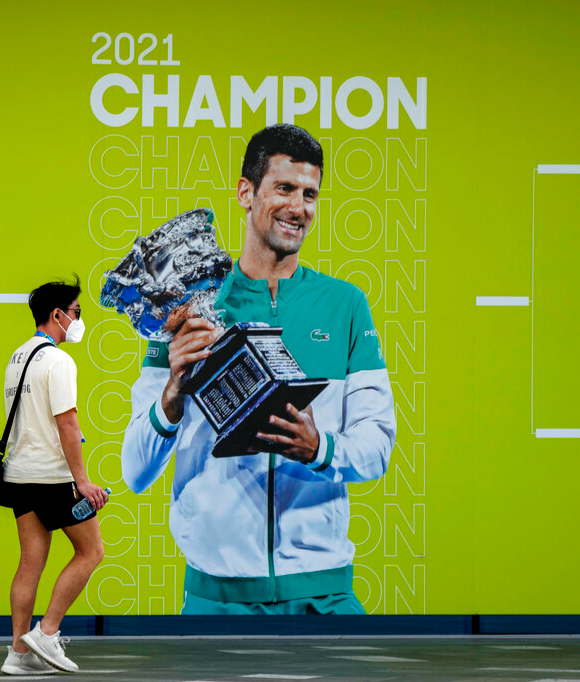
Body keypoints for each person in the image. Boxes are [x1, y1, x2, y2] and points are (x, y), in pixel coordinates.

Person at [120, 124, 396, 615]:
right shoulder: (187, 310)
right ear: (246, 193)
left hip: (324, 593)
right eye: (285, 188)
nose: (299, 207)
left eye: (310, 194)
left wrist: (320, 449)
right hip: (216, 599)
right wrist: (171, 396)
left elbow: (377, 448)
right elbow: (136, 473)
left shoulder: (346, 306)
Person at [0, 278, 108, 674]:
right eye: (77, 313)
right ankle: (46, 633)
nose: (79, 320)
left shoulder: (17, 357)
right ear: (57, 314)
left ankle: (18, 653)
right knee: (91, 551)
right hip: (53, 477)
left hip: (20, 475)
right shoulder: (59, 361)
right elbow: (67, 422)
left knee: (30, 562)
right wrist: (82, 482)